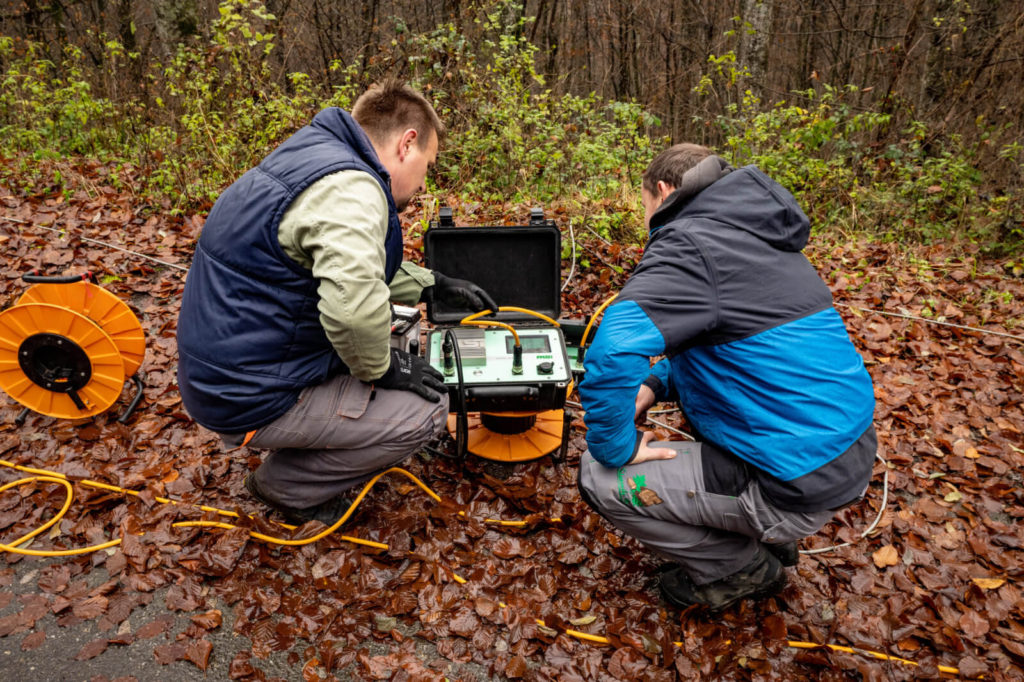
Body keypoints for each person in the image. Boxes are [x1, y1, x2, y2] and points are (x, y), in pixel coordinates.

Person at [176, 81, 496, 525]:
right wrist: (387, 370)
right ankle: (285, 487)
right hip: (247, 393)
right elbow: (350, 311)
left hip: (223, 372)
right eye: (428, 165)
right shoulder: (353, 190)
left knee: (385, 348)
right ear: (408, 143)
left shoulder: (312, 158)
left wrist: (431, 284)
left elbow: (338, 264)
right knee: (426, 409)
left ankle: (312, 436)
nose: (423, 184)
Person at [576, 143, 877, 611]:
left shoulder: (691, 242)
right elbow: (730, 347)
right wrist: (653, 386)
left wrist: (618, 446)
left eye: (645, 206)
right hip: (844, 457)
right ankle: (767, 535)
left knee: (599, 476)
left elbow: (613, 348)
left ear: (662, 191)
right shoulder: (755, 237)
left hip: (795, 483)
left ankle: (737, 568)